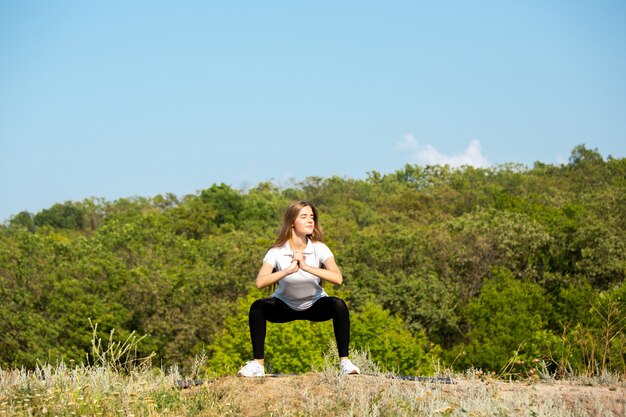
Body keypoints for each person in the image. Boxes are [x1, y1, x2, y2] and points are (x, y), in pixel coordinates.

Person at [237, 201, 360, 377]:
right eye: (304, 217)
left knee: (338, 304)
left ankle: (345, 362)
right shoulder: (276, 251)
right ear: (292, 222)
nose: (310, 220)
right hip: (284, 306)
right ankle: (258, 365)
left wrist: (306, 267)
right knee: (258, 307)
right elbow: (260, 282)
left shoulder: (320, 248)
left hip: (315, 304)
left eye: (312, 217)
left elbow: (337, 278)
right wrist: (288, 270)